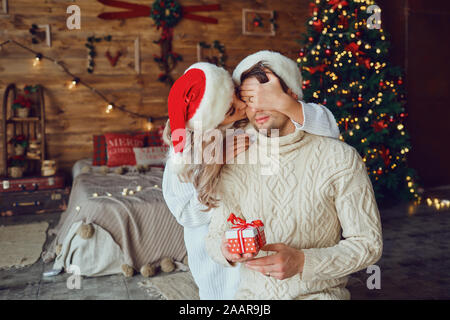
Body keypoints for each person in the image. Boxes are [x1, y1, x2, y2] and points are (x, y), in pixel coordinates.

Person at [205, 51, 383, 300]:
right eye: (249, 100)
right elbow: (213, 237)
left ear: (292, 95)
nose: (257, 108)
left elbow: (368, 244)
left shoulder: (340, 158)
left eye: (266, 96)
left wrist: (302, 262)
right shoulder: (236, 158)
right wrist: (225, 249)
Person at [162, 59, 341, 299]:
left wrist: (286, 103)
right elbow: (187, 215)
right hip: (218, 264)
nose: (240, 105)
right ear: (211, 120)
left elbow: (328, 128)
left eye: (236, 95)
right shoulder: (183, 158)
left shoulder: (250, 127)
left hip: (262, 261)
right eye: (228, 109)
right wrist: (217, 162)